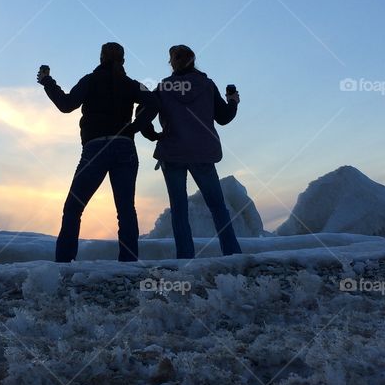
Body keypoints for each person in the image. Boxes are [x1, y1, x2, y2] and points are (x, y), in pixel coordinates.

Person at [37, 43, 155, 262]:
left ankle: (64, 264)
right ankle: (129, 265)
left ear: (101, 58)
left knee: (73, 207)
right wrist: (136, 127)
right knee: (126, 209)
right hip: (124, 147)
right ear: (123, 60)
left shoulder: (90, 80)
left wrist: (47, 81)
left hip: (95, 148)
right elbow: (154, 102)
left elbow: (66, 104)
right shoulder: (130, 84)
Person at [133, 44, 242, 259]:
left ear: (172, 62)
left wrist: (151, 134)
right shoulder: (207, 85)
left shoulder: (164, 87)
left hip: (172, 153)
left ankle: (185, 257)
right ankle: (232, 254)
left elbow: (144, 109)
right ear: (193, 60)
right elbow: (223, 118)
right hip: (203, 153)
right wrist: (233, 102)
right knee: (218, 207)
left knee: (179, 209)